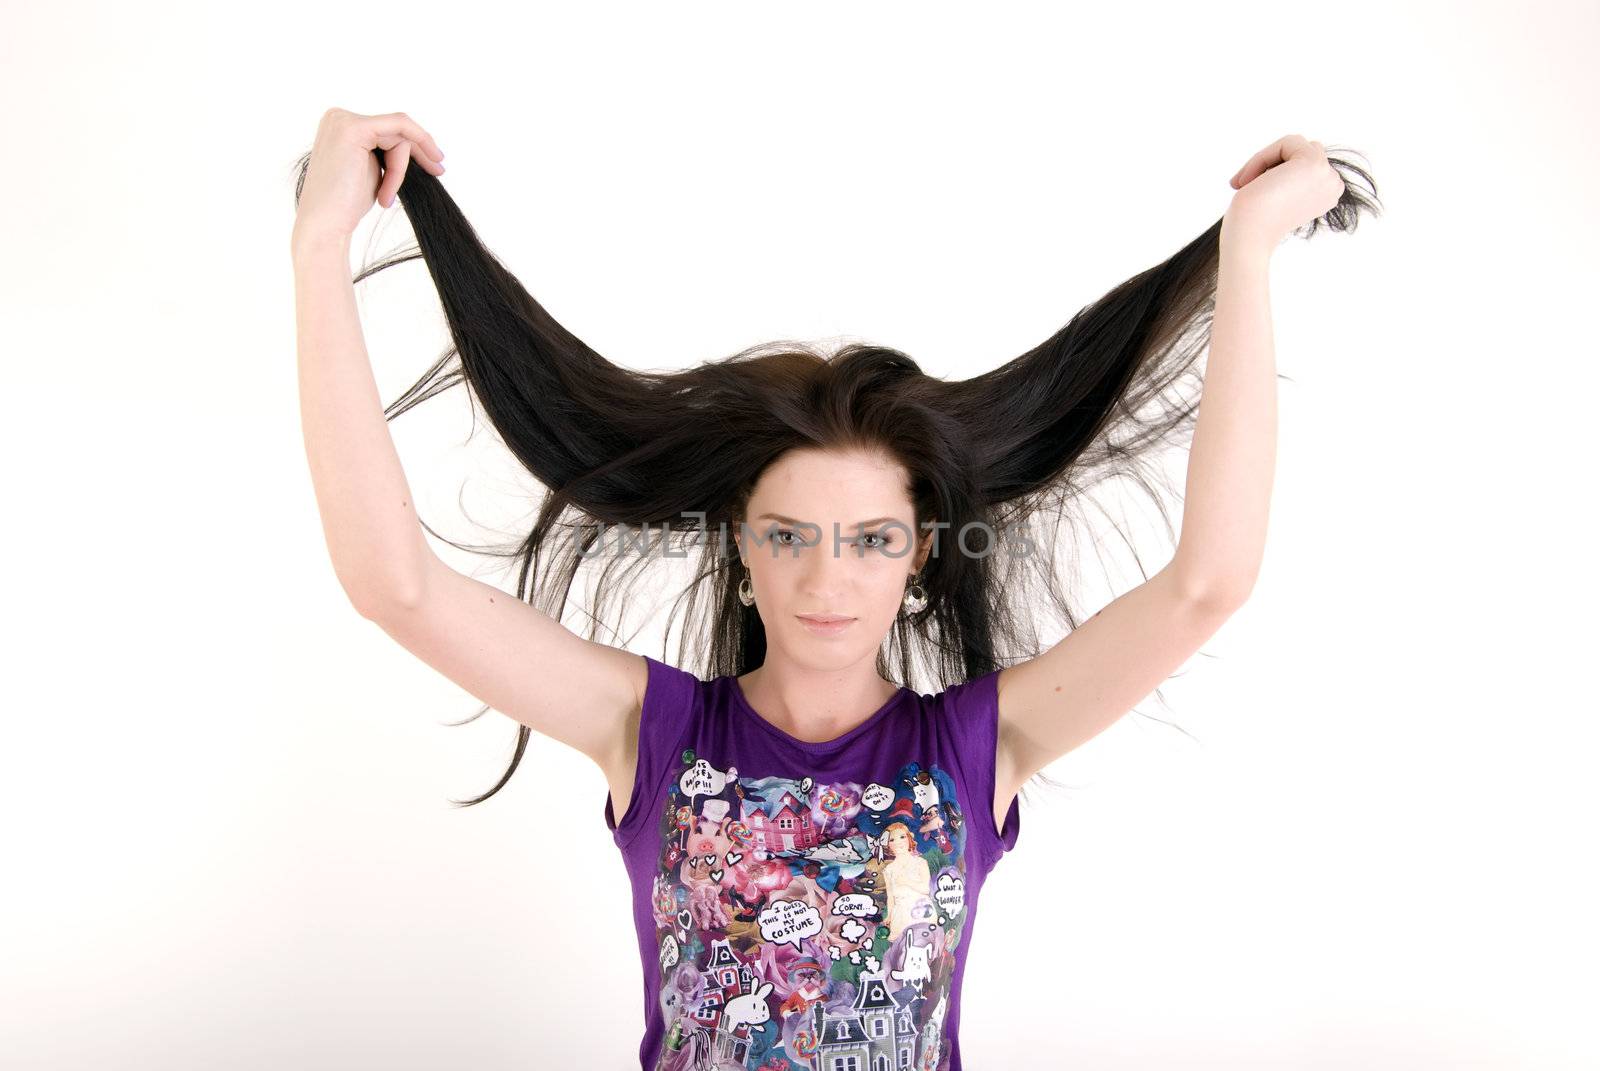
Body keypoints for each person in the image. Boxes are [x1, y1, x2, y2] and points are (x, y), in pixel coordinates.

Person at [290, 109, 1379, 1071]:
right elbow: (398, 588)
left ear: (919, 560)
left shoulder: (976, 746)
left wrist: (1247, 249)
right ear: (740, 549)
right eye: (790, 536)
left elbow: (1208, 584)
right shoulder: (651, 727)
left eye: (870, 540)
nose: (826, 576)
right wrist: (317, 245)